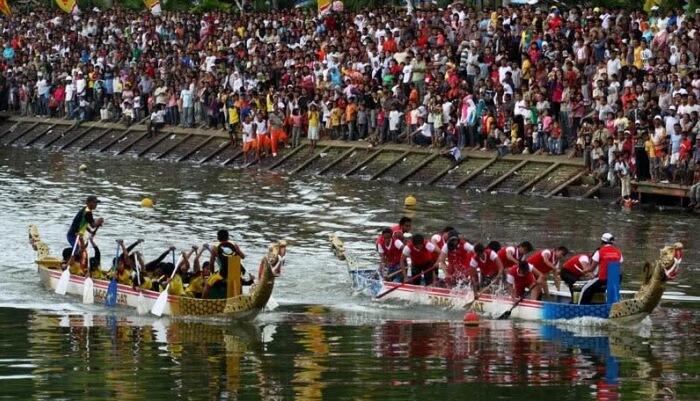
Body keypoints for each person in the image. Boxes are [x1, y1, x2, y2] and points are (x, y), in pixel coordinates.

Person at [579, 233, 623, 305]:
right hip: (617, 279)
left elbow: (591, 269)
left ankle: (582, 308)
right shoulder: (618, 252)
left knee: (584, 289)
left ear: (602, 242)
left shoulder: (599, 252)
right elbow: (619, 266)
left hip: (603, 279)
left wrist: (584, 271)